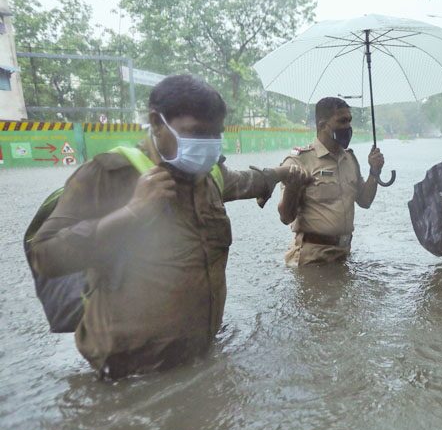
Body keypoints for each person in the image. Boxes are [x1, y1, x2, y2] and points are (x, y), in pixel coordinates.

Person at [28, 74, 302, 379]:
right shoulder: (109, 175)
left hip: (198, 364)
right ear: (157, 123)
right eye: (196, 132)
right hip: (130, 379)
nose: (208, 145)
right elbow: (44, 255)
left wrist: (284, 172)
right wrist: (132, 213)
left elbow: (249, 182)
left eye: (215, 134)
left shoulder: (209, 176)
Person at [278, 97, 385, 266]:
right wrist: (293, 187)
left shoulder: (349, 159)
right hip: (312, 258)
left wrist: (374, 171)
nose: (348, 127)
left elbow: (365, 201)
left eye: (349, 121)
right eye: (342, 121)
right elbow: (285, 217)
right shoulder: (300, 161)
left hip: (343, 255)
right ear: (322, 125)